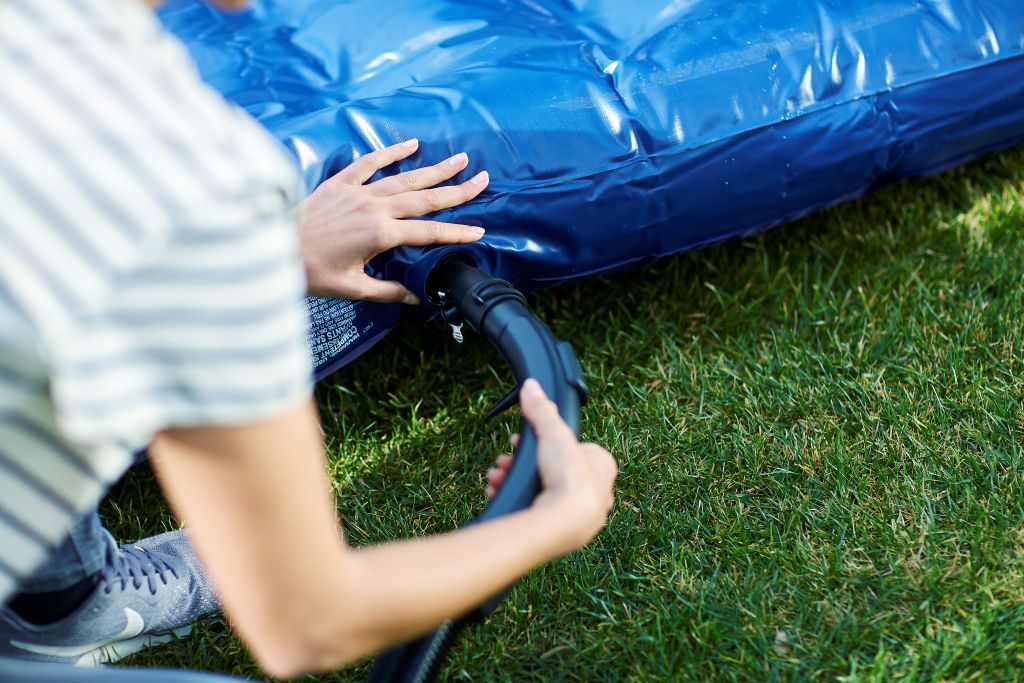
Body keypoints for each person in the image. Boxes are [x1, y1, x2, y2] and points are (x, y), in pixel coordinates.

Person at [0, 0, 618, 679]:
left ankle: (52, 585)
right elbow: (308, 620)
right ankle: (66, 609)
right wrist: (559, 516)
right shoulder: (186, 179)